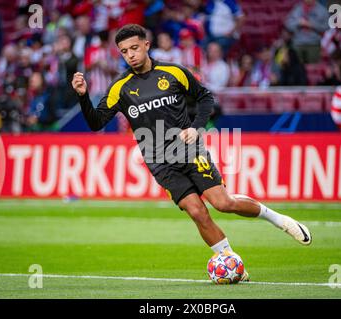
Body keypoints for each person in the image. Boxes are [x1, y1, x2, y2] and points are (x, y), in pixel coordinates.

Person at [72, 24, 312, 281]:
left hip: (187, 150)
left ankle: (278, 220)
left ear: (146, 45)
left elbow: (206, 97)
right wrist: (83, 97)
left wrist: (197, 129)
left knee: (223, 203)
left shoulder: (173, 72)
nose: (130, 55)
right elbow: (96, 122)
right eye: (123, 52)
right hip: (158, 160)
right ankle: (231, 264)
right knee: (197, 212)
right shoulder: (120, 87)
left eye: (134, 48)